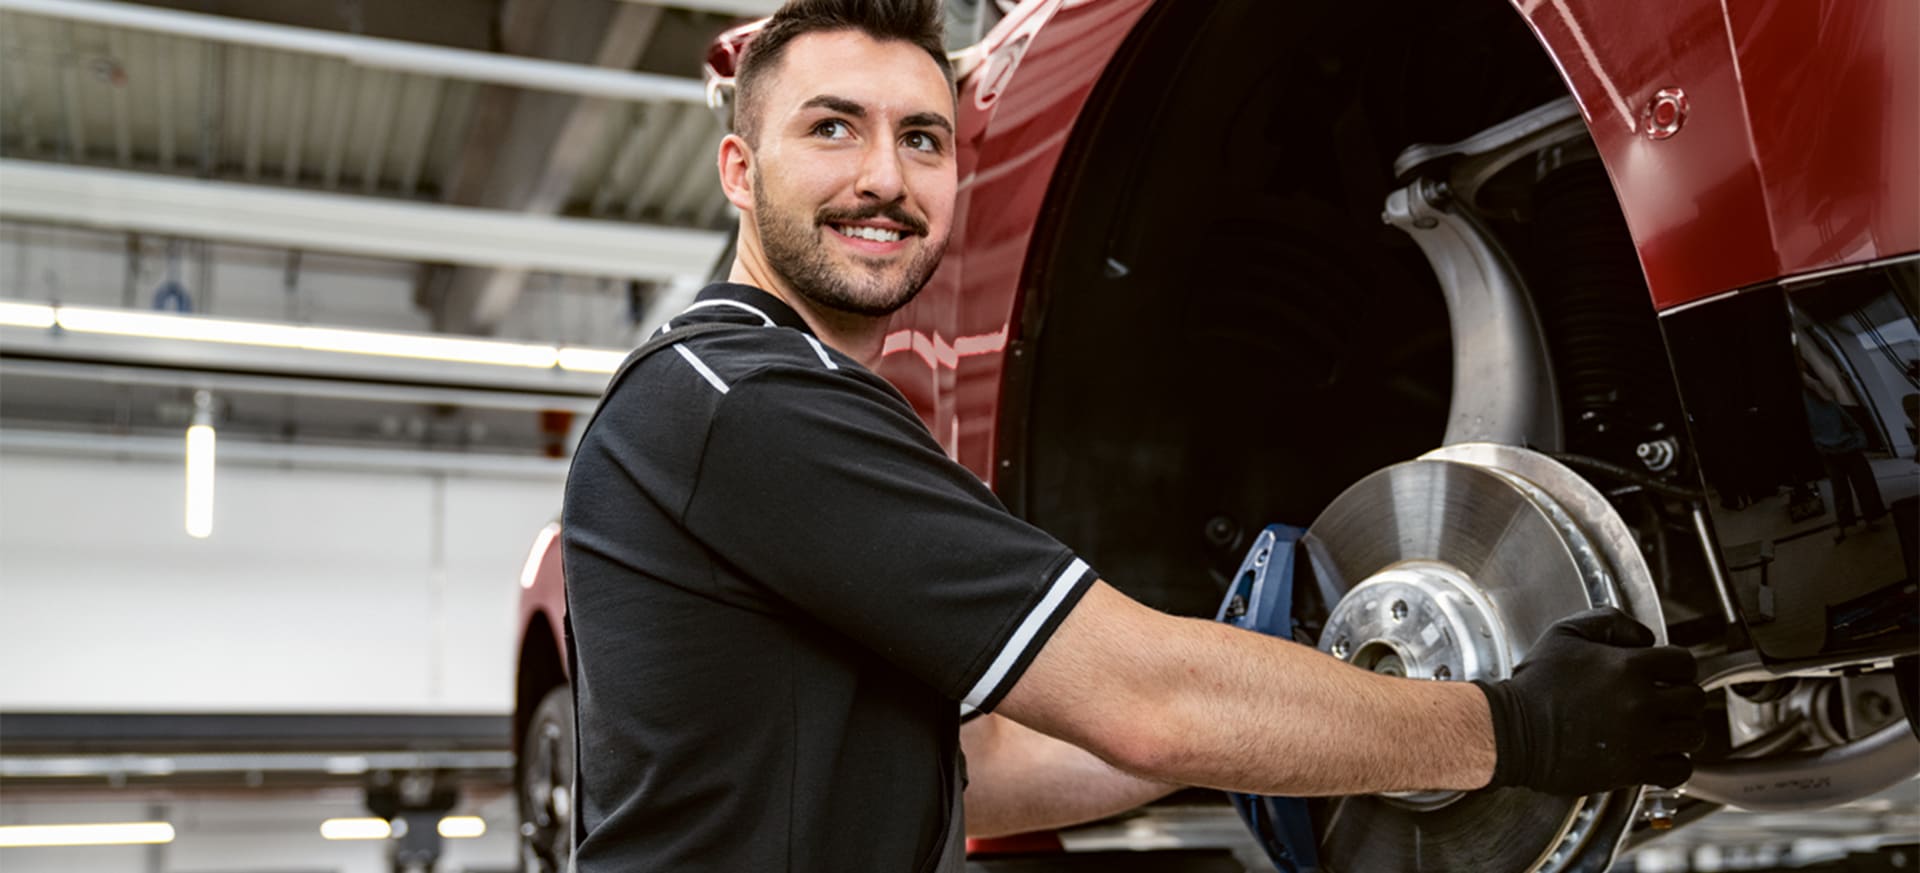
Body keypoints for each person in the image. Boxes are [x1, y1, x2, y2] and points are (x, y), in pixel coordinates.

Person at [560, 1, 1707, 870]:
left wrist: (1317, 693)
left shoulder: (763, 401)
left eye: (922, 139)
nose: (884, 178)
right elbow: (1147, 707)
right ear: (738, 171)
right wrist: (1515, 728)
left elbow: (990, 772)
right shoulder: (742, 396)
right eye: (832, 129)